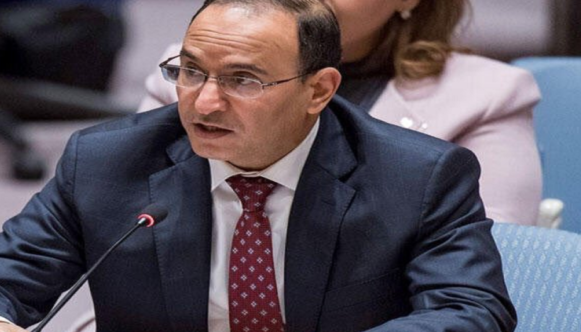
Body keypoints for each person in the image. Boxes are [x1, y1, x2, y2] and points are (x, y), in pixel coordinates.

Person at [0, 0, 516, 332]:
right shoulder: (108, 161)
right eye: (190, 71)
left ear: (318, 90)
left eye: (242, 80)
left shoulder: (417, 174)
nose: (204, 102)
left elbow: (473, 315)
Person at [139, 0, 543, 226]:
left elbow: (485, 264)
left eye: (245, 80)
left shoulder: (485, 96)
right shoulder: (189, 75)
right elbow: (130, 234)